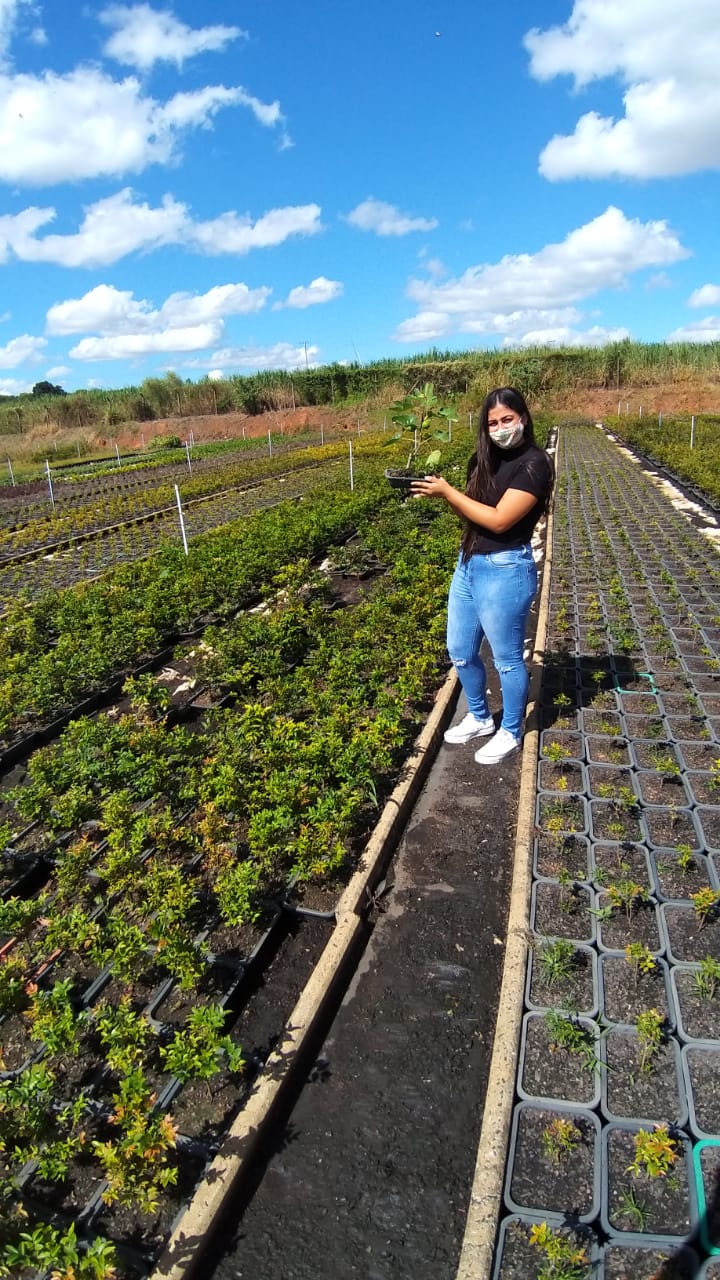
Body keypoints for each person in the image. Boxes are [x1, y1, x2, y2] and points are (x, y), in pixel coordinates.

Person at [411, 386, 554, 764]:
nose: (501, 428)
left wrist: (448, 493)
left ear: (523, 417)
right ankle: (478, 717)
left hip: (506, 569)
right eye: (493, 422)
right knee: (460, 650)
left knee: (506, 659)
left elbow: (500, 519)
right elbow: (473, 513)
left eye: (507, 419)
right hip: (470, 564)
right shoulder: (482, 459)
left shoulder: (535, 464)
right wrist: (442, 493)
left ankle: (511, 729)